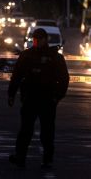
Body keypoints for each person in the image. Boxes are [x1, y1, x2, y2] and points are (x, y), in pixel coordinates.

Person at [8, 28, 69, 169]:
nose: (36, 42)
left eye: (39, 39)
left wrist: (57, 97)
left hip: (47, 99)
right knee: (25, 130)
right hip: (30, 98)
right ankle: (20, 157)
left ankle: (47, 159)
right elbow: (16, 76)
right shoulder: (27, 55)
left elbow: (64, 79)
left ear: (45, 39)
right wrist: (11, 94)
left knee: (47, 132)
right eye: (34, 39)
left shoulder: (55, 57)